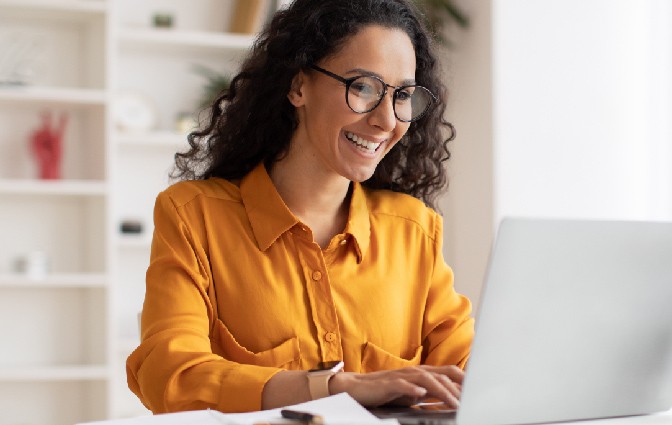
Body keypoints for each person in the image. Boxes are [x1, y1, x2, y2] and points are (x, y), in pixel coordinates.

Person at [126, 0, 474, 414]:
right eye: (363, 87)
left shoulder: (413, 228)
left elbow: (473, 374)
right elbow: (171, 375)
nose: (386, 120)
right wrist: (332, 387)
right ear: (298, 87)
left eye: (402, 95)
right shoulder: (193, 217)